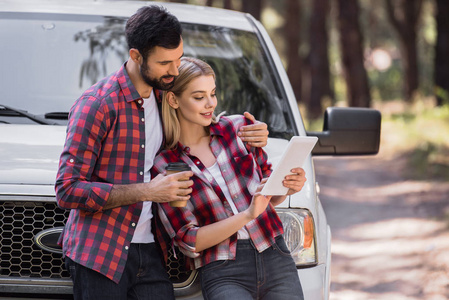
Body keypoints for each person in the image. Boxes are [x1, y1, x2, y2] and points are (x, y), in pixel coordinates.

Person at [55, 6, 269, 300]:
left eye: (179, 59)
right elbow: (68, 190)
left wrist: (248, 130)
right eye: (165, 62)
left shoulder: (164, 95)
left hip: (152, 251)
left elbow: (203, 117)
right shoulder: (97, 105)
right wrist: (148, 191)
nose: (175, 70)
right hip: (101, 254)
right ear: (136, 56)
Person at [151, 57, 306, 300]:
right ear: (173, 100)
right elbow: (188, 240)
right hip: (223, 270)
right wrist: (246, 215)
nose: (210, 104)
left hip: (274, 252)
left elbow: (267, 193)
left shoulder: (238, 129)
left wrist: (288, 187)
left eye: (212, 94)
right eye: (199, 97)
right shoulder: (168, 164)